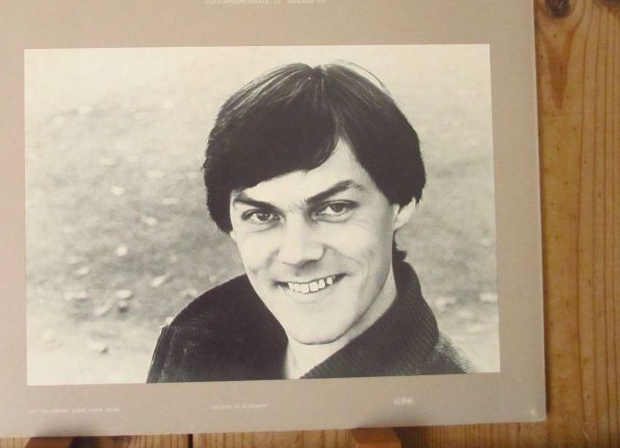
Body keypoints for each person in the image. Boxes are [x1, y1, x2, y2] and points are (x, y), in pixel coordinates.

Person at [147, 62, 472, 382]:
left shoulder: (456, 397)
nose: (297, 253)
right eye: (262, 215)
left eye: (335, 208)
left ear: (402, 203)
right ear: (232, 226)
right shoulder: (198, 349)